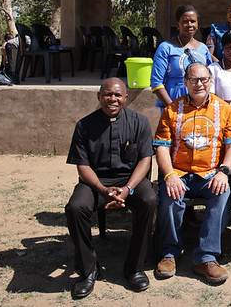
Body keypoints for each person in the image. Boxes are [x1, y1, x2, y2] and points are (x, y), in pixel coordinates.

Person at [64, 78, 157, 299]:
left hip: (130, 182)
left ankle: (134, 268)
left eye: (117, 95)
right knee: (75, 207)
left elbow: (145, 160)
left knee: (149, 200)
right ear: (99, 97)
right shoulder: (84, 125)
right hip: (96, 183)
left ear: (125, 98)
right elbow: (82, 165)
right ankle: (88, 270)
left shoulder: (140, 122)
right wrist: (101, 189)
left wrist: (128, 189)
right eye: (107, 95)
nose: (112, 99)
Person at [153, 63, 231, 285]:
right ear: (185, 82)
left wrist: (224, 171)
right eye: (193, 80)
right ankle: (170, 253)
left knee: (222, 194)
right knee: (170, 195)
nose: (199, 84)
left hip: (211, 173)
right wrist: (169, 175)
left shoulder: (225, 110)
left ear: (211, 81)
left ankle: (206, 256)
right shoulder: (171, 110)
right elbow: (162, 146)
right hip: (179, 173)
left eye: (203, 79)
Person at [150, 5, 213, 108]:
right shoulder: (166, 48)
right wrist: (172, 108)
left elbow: (209, 78)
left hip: (200, 104)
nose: (189, 25)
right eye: (185, 21)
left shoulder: (203, 49)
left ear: (197, 24)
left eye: (193, 21)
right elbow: (156, 81)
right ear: (178, 24)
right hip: (173, 100)